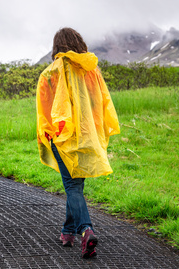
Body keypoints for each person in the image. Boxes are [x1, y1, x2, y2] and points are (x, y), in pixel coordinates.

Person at [36, 27, 120, 259]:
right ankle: (68, 232)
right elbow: (101, 103)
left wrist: (49, 135)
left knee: (72, 187)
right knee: (76, 187)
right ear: (78, 43)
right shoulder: (91, 69)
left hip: (63, 138)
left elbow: (45, 112)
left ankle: (86, 230)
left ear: (57, 46)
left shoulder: (49, 74)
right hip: (87, 135)